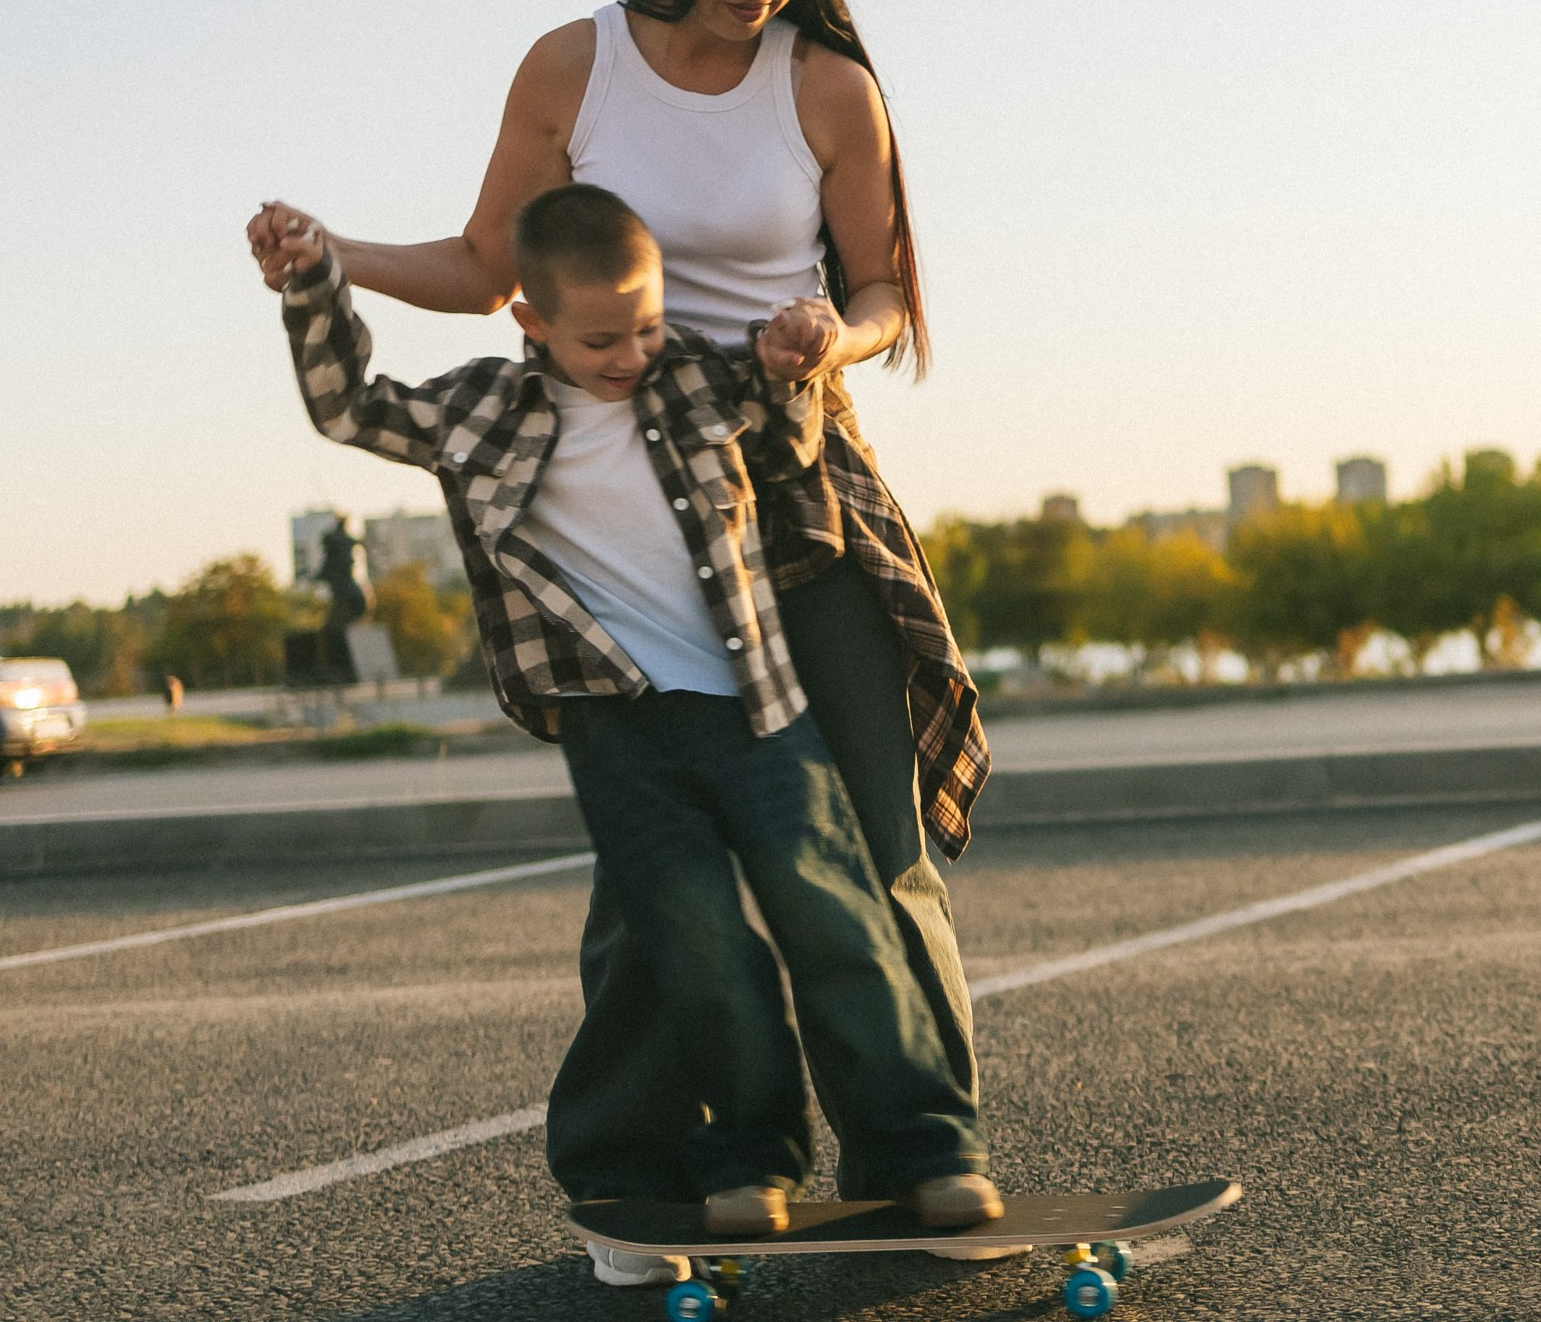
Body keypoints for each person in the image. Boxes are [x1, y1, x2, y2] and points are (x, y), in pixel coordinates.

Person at [245, 0, 1002, 1285]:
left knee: (874, 831)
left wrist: (821, 336)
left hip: (792, 473)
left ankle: (927, 1154)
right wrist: (332, 261)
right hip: (619, 503)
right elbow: (482, 269)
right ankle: (661, 1181)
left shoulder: (831, 87)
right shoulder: (571, 67)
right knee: (659, 869)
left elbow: (888, 289)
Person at [263, 182, 999, 1236]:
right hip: (618, 731)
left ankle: (931, 1149)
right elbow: (349, 407)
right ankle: (752, 1163)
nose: (630, 353)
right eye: (601, 337)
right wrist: (311, 285)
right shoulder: (480, 412)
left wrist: (798, 356)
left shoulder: (697, 377)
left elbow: (789, 430)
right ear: (533, 322)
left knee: (837, 921)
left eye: (647, 325)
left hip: (758, 705)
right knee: (700, 950)